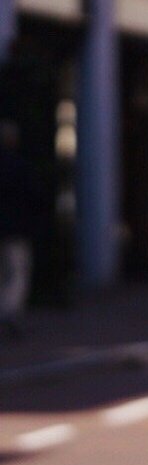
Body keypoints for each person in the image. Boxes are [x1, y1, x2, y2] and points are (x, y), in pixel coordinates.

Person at [0, 121, 49, 339]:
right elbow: (35, 196)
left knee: (7, 274)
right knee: (17, 273)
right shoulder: (20, 166)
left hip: (12, 229)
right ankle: (9, 314)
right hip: (15, 230)